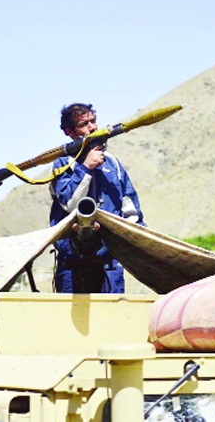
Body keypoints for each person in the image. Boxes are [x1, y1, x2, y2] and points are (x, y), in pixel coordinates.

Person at [49, 103, 144, 293]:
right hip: (72, 266)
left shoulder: (113, 164)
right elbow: (69, 203)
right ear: (70, 132)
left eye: (93, 121)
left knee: (112, 319)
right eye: (84, 124)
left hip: (109, 265)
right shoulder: (62, 165)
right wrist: (85, 167)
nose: (92, 127)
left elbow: (132, 213)